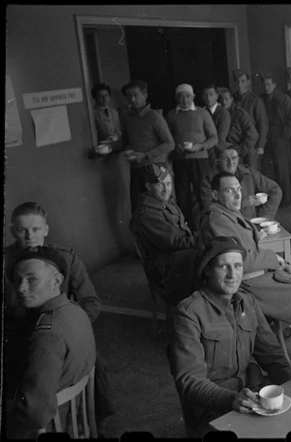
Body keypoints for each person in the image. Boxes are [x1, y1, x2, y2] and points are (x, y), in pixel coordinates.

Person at [4, 202, 113, 434]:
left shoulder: (66, 258)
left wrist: (67, 328)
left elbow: (90, 302)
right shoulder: (6, 258)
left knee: (95, 363)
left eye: (35, 229)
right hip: (16, 333)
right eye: (22, 230)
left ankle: (98, 422)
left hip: (56, 331)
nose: (29, 236)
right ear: (13, 231)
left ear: (46, 230)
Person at [170, 236, 291, 437]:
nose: (232, 274)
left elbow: (274, 356)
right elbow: (190, 381)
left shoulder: (248, 303)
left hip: (252, 391)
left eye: (238, 266)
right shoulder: (189, 313)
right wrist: (231, 400)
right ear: (207, 269)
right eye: (223, 266)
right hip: (211, 404)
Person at [198, 172, 291, 340]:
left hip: (258, 278)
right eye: (230, 191)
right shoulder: (217, 221)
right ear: (215, 195)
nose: (238, 195)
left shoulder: (227, 215)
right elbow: (237, 263)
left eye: (238, 189)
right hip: (248, 286)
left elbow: (247, 251)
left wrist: (282, 265)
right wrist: (276, 260)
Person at [4, 247, 97, 438]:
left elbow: (35, 414)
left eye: (32, 280)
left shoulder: (46, 336)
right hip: (67, 394)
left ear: (56, 281)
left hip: (41, 417)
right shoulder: (74, 309)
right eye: (17, 279)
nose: (21, 288)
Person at [130, 164, 199, 306]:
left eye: (168, 183)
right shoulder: (148, 214)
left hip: (177, 255)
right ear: (149, 187)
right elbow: (175, 242)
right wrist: (203, 238)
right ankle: (200, 308)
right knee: (206, 258)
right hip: (164, 267)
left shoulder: (166, 204)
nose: (166, 189)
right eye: (159, 185)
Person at [166, 83, 219, 227]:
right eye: (181, 97)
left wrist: (199, 147)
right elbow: (167, 140)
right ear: (177, 98)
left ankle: (209, 228)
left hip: (200, 160)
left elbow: (214, 138)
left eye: (188, 96)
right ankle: (188, 231)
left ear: (193, 97)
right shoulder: (171, 115)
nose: (185, 100)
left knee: (203, 196)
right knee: (183, 198)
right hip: (180, 161)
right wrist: (175, 148)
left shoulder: (202, 113)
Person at [119, 78, 175, 212]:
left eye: (135, 95)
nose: (132, 99)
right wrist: (111, 147)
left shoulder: (154, 117)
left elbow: (169, 144)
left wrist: (146, 155)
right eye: (128, 96)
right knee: (139, 208)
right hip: (137, 169)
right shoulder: (127, 118)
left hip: (156, 169)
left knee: (162, 207)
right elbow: (125, 140)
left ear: (145, 95)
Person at [200, 145, 282, 220]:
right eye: (226, 159)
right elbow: (209, 210)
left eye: (234, 158)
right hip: (226, 227)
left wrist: (263, 218)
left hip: (251, 225)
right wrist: (243, 203)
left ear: (239, 159)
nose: (230, 162)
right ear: (218, 161)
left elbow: (275, 190)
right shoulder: (208, 181)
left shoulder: (248, 173)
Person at [260, 73, 291, 206]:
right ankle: (274, 198)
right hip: (268, 138)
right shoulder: (262, 99)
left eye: (269, 84)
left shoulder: (283, 99)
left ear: (275, 85)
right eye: (264, 85)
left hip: (281, 138)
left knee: (283, 170)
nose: (266, 87)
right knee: (270, 169)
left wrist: (283, 136)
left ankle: (286, 199)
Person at [234, 69, 269, 169]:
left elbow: (263, 124)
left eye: (243, 81)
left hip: (251, 146)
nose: (240, 85)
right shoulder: (233, 100)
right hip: (237, 145)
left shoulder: (255, 101)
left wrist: (261, 146)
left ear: (248, 82)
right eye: (237, 81)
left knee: (252, 174)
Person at [219, 86, 259, 167]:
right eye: (221, 99)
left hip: (245, 153)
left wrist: (240, 150)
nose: (224, 102)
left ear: (231, 99)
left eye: (226, 99)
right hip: (230, 152)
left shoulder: (240, 114)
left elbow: (253, 135)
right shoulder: (219, 114)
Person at [200, 83, 232, 167]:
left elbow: (220, 139)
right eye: (205, 95)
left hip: (217, 153)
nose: (208, 98)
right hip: (202, 153)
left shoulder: (223, 113)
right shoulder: (200, 113)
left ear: (217, 96)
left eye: (211, 94)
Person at [91, 82, 122, 147]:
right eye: (100, 96)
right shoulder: (92, 113)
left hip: (115, 145)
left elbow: (118, 129)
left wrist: (117, 135)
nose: (104, 98)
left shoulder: (114, 112)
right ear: (95, 98)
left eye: (106, 95)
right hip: (101, 147)